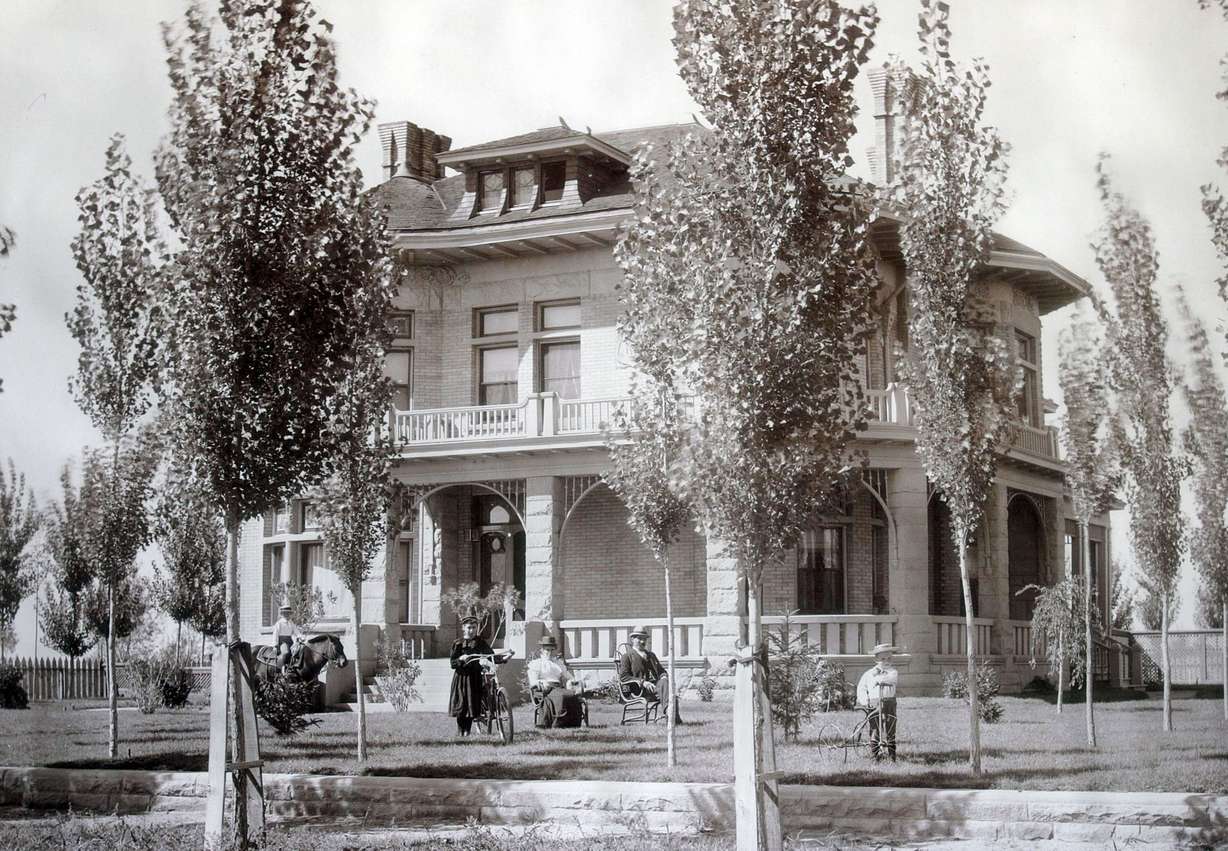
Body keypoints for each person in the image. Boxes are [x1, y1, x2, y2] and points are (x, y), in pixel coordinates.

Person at [618, 625, 679, 722]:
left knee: (666, 685)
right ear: (632, 639)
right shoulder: (627, 656)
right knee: (669, 691)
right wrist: (643, 682)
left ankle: (670, 714)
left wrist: (663, 677)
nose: (642, 642)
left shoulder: (651, 655)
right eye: (639, 638)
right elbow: (624, 677)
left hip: (654, 687)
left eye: (644, 639)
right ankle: (672, 717)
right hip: (638, 690)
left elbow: (661, 671)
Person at [449, 614, 493, 737]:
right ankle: (460, 731)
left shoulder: (480, 643)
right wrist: (461, 659)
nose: (471, 630)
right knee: (461, 704)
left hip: (475, 678)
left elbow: (491, 655)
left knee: (471, 704)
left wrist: (504, 658)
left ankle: (467, 731)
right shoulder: (458, 643)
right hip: (461, 678)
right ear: (463, 628)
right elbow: (452, 663)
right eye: (469, 627)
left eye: (474, 627)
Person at [527, 633, 583, 728]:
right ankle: (558, 722)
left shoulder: (557, 663)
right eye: (546, 649)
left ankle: (572, 723)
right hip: (545, 689)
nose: (548, 652)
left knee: (572, 694)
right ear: (541, 649)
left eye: (551, 649)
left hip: (557, 687)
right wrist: (541, 682)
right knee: (561, 695)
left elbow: (568, 676)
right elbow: (533, 682)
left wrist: (572, 681)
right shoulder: (537, 663)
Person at [856, 643, 899, 762]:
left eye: (889, 659)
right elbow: (861, 688)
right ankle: (875, 755)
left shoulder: (893, 672)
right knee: (875, 727)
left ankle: (892, 756)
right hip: (874, 702)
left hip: (889, 701)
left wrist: (878, 679)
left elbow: (891, 680)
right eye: (882, 659)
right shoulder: (868, 674)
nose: (886, 661)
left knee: (890, 727)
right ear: (876, 659)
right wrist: (865, 700)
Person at [272, 604, 302, 669]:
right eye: (285, 613)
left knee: (297, 652)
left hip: (290, 641)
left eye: (288, 613)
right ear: (282, 614)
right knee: (286, 652)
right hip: (282, 642)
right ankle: (281, 668)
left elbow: (296, 632)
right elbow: (275, 634)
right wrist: (275, 645)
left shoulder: (291, 623)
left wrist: (301, 637)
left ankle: (292, 667)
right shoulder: (279, 623)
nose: (287, 615)